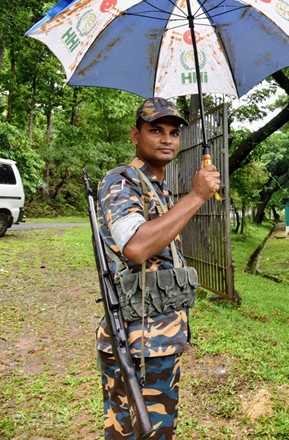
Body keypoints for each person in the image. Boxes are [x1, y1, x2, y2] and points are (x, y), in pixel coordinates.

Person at [95, 97, 220, 439]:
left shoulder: (159, 188)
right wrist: (195, 197)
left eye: (173, 132)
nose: (167, 139)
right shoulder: (122, 180)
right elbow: (135, 246)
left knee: (157, 431)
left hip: (159, 342)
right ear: (135, 135)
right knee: (133, 433)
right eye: (155, 130)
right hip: (138, 344)